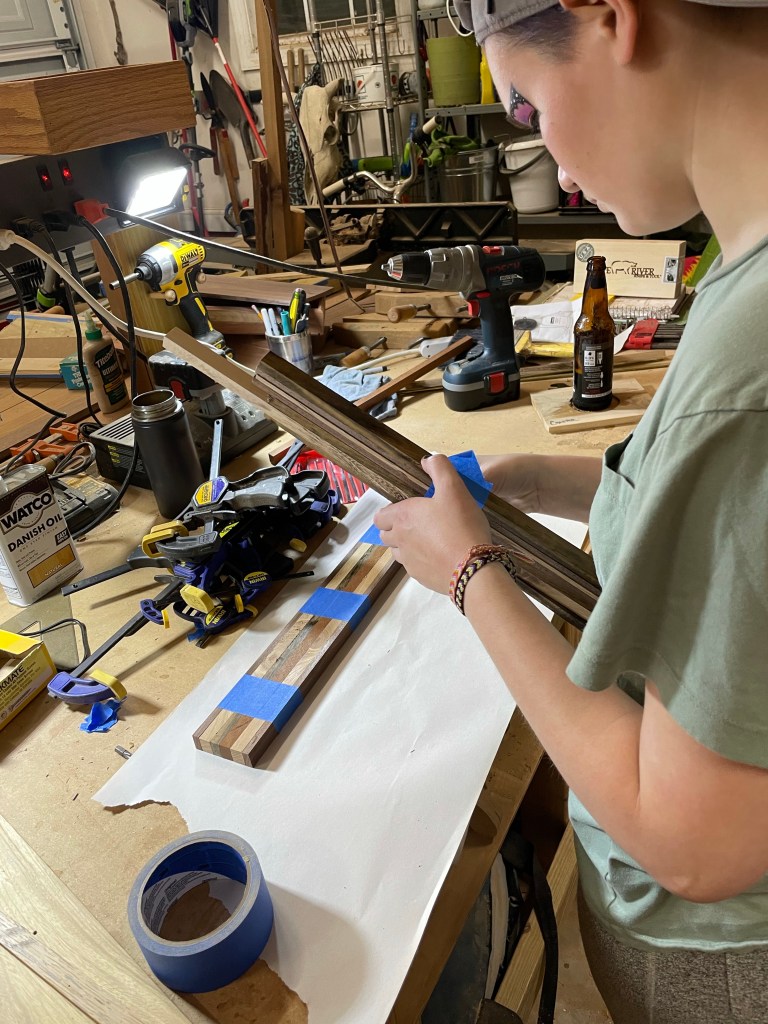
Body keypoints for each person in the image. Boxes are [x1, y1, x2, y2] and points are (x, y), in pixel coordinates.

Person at [373, 3, 768, 1021]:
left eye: (528, 106)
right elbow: (732, 544)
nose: (548, 155)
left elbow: (692, 842)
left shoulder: (749, 362)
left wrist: (469, 576)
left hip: (726, 960)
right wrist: (543, 480)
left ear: (610, 16)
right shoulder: (743, 268)